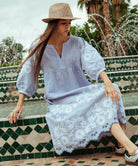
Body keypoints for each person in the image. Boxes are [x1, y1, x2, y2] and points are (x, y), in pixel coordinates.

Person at [8, 3, 138, 165]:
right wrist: (19, 105)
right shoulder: (39, 48)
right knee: (105, 100)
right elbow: (27, 74)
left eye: (69, 23)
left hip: (81, 92)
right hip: (60, 99)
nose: (68, 27)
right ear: (53, 24)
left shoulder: (78, 43)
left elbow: (93, 61)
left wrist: (107, 82)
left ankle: (123, 145)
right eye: (64, 23)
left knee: (114, 90)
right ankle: (130, 148)